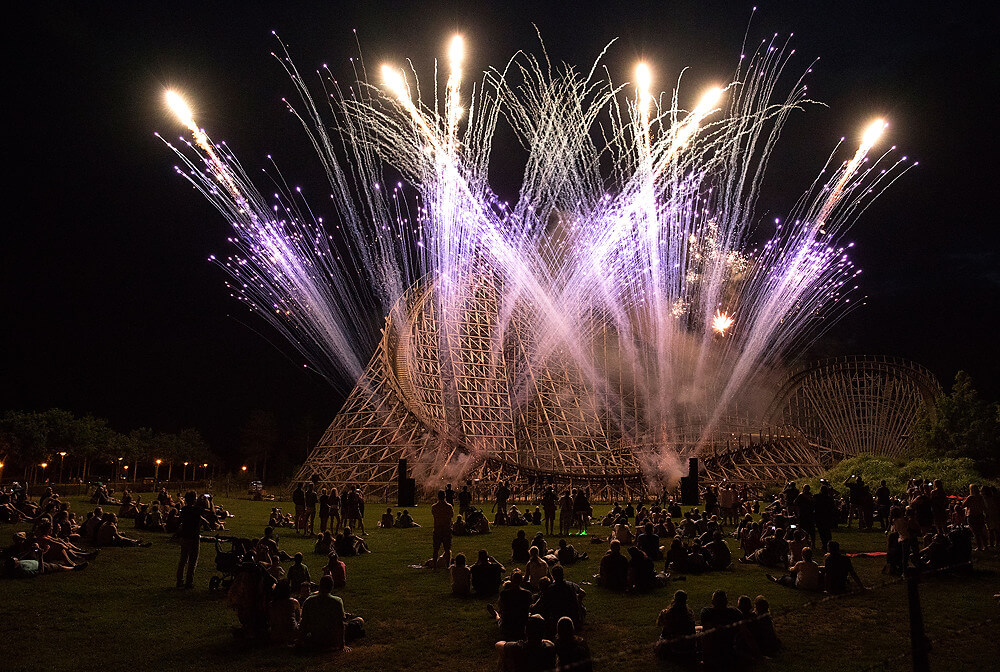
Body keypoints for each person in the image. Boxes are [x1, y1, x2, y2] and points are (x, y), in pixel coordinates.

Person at [298, 575, 363, 652]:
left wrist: (300, 640)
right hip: (332, 637)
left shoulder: (308, 601)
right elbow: (340, 624)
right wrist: (342, 645)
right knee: (360, 620)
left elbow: (304, 622)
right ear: (331, 587)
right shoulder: (337, 601)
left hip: (316, 637)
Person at [699, 589, 745, 670]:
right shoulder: (735, 613)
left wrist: (706, 658)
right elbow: (744, 633)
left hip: (715, 652)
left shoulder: (707, 612)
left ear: (713, 601)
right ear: (726, 601)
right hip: (730, 649)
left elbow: (707, 635)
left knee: (699, 630)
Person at [655, 589, 697, 662]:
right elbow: (692, 632)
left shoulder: (667, 613)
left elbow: (660, 626)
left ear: (674, 599)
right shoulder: (689, 614)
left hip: (673, 649)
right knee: (699, 628)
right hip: (688, 649)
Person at [176, 491, 207, 589]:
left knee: (183, 559)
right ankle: (189, 581)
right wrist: (205, 501)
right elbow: (207, 510)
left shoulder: (184, 509)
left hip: (184, 536)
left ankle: (179, 580)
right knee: (192, 561)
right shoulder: (197, 510)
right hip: (193, 537)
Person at [492, 570, 534, 640]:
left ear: (511, 580)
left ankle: (495, 614)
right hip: (522, 624)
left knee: (499, 618)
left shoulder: (504, 594)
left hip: (508, 624)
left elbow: (501, 608)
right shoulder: (527, 594)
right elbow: (529, 608)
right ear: (522, 580)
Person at [268, 579, 302, 647]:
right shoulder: (293, 602)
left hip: (275, 634)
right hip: (291, 634)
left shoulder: (271, 604)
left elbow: (270, 620)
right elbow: (298, 618)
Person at [431, 490, 454, 570]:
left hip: (437, 529)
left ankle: (434, 565)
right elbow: (451, 516)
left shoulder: (434, 507)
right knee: (447, 549)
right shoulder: (449, 506)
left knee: (436, 549)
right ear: (445, 496)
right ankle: (447, 565)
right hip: (446, 529)